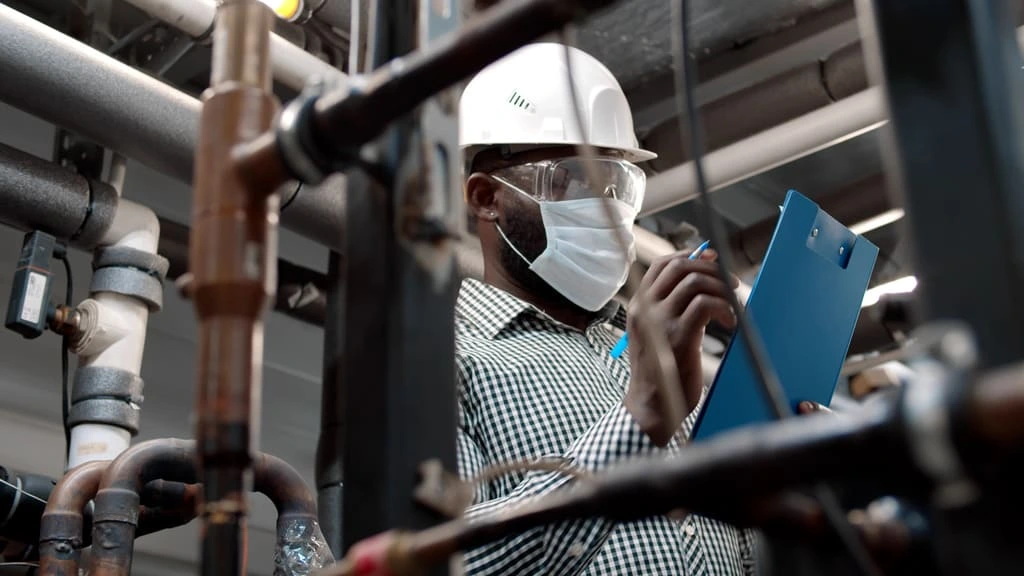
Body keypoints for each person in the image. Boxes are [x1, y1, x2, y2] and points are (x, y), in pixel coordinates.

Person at [454, 42, 757, 575]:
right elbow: (447, 561)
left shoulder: (654, 354)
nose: (609, 208)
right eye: (571, 178)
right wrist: (637, 423)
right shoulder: (443, 358)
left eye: (618, 183)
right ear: (485, 197)